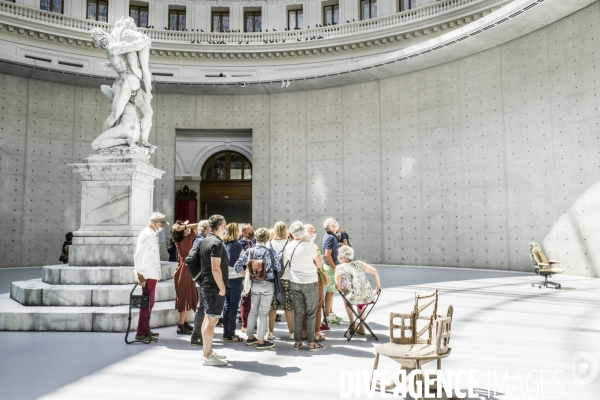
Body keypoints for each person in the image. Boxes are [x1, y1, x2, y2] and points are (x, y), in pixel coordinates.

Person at [234, 228, 280, 350]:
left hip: (254, 284)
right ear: (267, 238)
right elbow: (278, 267)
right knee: (263, 313)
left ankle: (250, 337)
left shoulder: (250, 251)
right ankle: (261, 341)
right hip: (267, 284)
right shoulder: (271, 251)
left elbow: (237, 266)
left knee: (253, 310)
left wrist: (246, 274)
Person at [286, 221, 325, 351]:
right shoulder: (309, 246)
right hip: (310, 281)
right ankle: (311, 343)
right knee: (311, 312)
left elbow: (287, 263)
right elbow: (319, 265)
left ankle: (297, 342)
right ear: (303, 232)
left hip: (295, 281)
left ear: (291, 233)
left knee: (298, 312)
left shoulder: (289, 246)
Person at [133, 212, 168, 342]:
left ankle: (145, 329)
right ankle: (141, 332)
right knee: (147, 302)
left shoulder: (151, 234)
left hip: (151, 273)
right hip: (148, 274)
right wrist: (140, 274)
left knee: (149, 303)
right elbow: (139, 255)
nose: (163, 227)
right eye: (161, 224)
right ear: (154, 223)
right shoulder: (147, 235)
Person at [199, 215, 229, 366]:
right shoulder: (216, 243)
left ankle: (208, 351)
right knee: (212, 321)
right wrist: (222, 288)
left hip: (208, 285)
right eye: (225, 225)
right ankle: (206, 356)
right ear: (222, 224)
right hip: (213, 287)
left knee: (208, 319)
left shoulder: (206, 240)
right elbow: (215, 268)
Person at [335, 245, 381, 335]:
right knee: (360, 299)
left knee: (347, 297)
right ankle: (362, 327)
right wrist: (378, 287)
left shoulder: (339, 268)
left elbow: (338, 287)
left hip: (353, 298)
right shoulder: (359, 263)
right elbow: (375, 271)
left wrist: (343, 289)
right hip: (368, 296)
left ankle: (352, 322)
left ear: (342, 256)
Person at [171, 221, 199, 335]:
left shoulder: (180, 240)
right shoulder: (187, 240)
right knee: (184, 298)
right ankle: (180, 325)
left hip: (182, 270)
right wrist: (184, 226)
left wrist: (181, 227)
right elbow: (197, 225)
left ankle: (185, 323)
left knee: (185, 297)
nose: (187, 230)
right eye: (185, 229)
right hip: (185, 271)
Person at [267, 221, 295, 340]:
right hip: (287, 278)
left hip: (272, 279)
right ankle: (292, 333)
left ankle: (270, 332)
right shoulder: (290, 244)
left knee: (272, 307)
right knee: (288, 307)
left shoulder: (269, 244)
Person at [303, 224, 327, 341]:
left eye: (314, 231)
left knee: (303, 307)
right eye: (311, 232)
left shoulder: (294, 246)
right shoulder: (312, 247)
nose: (313, 234)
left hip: (300, 279)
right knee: (317, 307)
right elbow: (319, 264)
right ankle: (316, 334)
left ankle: (303, 332)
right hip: (314, 278)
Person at [222, 223, 245, 342]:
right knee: (233, 305)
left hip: (224, 278)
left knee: (226, 305)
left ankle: (226, 332)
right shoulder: (238, 245)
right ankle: (231, 333)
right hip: (236, 277)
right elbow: (241, 261)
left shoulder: (222, 244)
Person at [190, 219, 210, 346]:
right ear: (207, 229)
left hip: (199, 277)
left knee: (202, 306)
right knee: (202, 307)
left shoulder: (197, 239)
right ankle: (197, 335)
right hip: (203, 278)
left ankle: (198, 334)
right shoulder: (203, 241)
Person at [322, 218, 343, 326]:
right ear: (332, 227)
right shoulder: (331, 238)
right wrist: (334, 267)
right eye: (335, 223)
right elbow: (327, 254)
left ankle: (330, 312)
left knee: (332, 291)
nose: (337, 224)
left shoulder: (330, 236)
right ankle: (327, 317)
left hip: (330, 266)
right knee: (330, 292)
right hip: (330, 267)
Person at [238, 224, 255, 333]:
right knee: (245, 299)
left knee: (251, 300)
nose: (252, 232)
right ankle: (245, 324)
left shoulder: (253, 242)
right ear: (244, 233)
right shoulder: (241, 244)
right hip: (245, 275)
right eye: (249, 231)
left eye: (252, 230)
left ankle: (250, 322)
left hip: (252, 274)